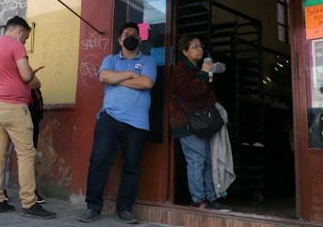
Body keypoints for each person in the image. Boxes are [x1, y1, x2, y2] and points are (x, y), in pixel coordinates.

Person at [79, 22, 157, 224]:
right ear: (120, 40)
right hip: (110, 118)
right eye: (126, 34)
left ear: (140, 39)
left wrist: (117, 79)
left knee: (131, 167)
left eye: (134, 34)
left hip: (137, 123)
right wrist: (131, 75)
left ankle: (125, 209)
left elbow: (147, 83)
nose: (130, 36)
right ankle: (93, 206)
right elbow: (104, 76)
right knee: (99, 161)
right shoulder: (110, 59)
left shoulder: (148, 60)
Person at [0, 16, 55, 219]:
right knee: (26, 153)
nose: (24, 42)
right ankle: (29, 202)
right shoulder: (15, 46)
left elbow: (4, 74)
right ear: (20, 31)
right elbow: (26, 76)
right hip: (14, 106)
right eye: (25, 38)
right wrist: (36, 81)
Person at [169, 35, 232, 211]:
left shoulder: (195, 69)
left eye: (200, 46)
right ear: (185, 52)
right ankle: (199, 200)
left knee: (206, 161)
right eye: (194, 47)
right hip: (187, 124)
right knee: (197, 161)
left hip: (200, 123)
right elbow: (190, 92)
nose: (199, 49)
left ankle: (211, 198)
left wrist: (206, 73)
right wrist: (204, 72)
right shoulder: (181, 69)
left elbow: (205, 94)